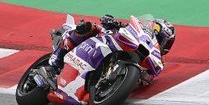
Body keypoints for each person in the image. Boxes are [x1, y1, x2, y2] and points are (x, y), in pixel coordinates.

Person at [43, 14, 176, 87]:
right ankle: (54, 65)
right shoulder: (136, 32)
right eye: (156, 32)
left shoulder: (159, 61)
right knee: (90, 27)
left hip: (123, 75)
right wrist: (111, 22)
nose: (156, 37)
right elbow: (116, 26)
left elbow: (149, 79)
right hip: (109, 41)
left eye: (161, 38)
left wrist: (142, 76)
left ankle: (104, 84)